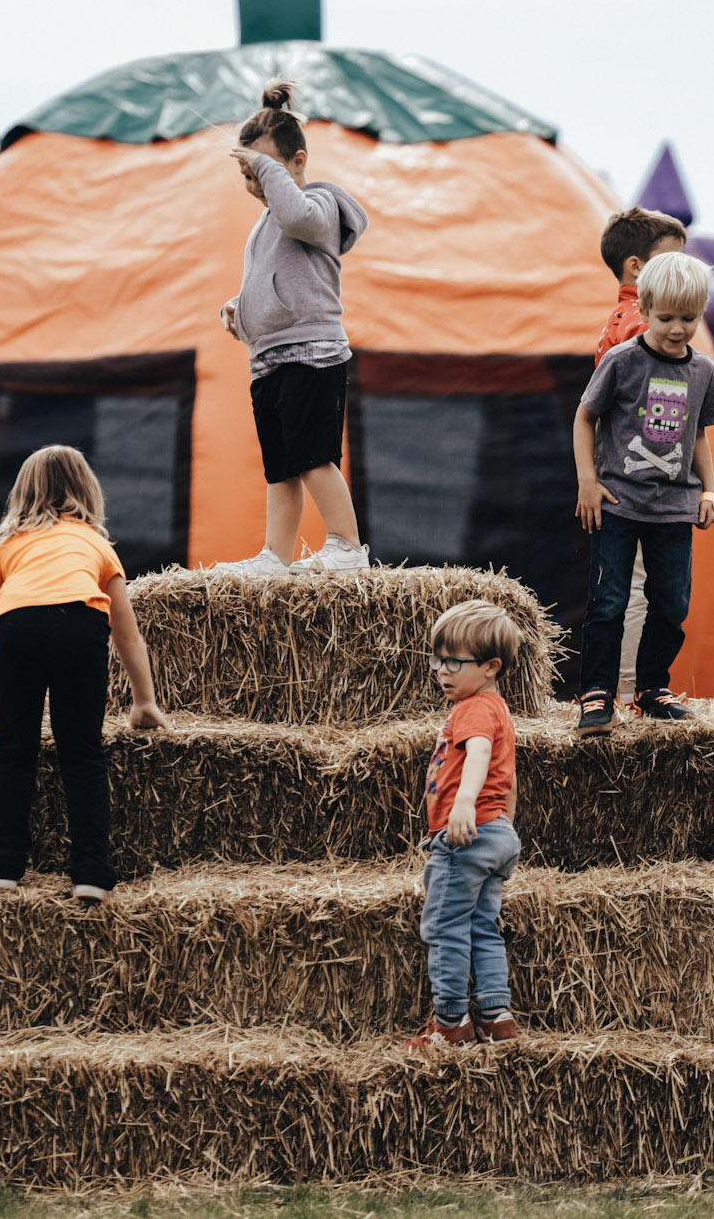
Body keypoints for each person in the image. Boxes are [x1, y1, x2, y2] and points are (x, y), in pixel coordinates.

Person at [0, 445, 168, 900]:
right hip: (81, 625)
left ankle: (1, 867)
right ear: (86, 491)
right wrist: (144, 701)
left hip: (16, 627)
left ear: (21, 494)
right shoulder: (97, 544)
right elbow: (127, 633)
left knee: (11, 749)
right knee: (82, 753)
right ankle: (92, 875)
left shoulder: (3, 546)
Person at [214, 79, 372, 578]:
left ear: (298, 163)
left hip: (312, 354)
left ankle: (347, 545)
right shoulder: (265, 225)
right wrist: (242, 311)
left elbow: (296, 214)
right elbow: (277, 280)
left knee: (313, 457)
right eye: (249, 173)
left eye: (264, 169)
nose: (256, 183)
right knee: (280, 467)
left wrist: (266, 166)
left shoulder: (319, 209)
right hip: (271, 359)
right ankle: (275, 556)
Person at [572, 250, 714, 735]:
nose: (678, 329)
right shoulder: (622, 360)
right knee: (609, 600)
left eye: (689, 318)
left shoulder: (703, 372)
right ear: (644, 307)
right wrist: (588, 482)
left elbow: (698, 433)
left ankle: (651, 689)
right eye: (666, 318)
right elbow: (585, 417)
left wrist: (711, 492)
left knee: (672, 603)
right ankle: (597, 693)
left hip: (675, 508)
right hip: (619, 502)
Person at [406, 599, 524, 1049]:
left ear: (492, 667)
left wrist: (464, 805)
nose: (442, 670)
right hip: (496, 834)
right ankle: (496, 1015)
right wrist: (504, 824)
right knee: (481, 925)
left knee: (445, 926)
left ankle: (451, 1021)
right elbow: (507, 774)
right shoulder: (499, 709)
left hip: (468, 835)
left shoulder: (472, 710)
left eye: (455, 661)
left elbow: (477, 756)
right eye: (438, 659)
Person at [591, 207, 689, 709]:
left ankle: (632, 686)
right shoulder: (638, 328)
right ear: (636, 268)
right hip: (636, 480)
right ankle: (629, 688)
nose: (684, 276)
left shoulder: (627, 319)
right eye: (673, 264)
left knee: (644, 588)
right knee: (633, 588)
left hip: (639, 474)